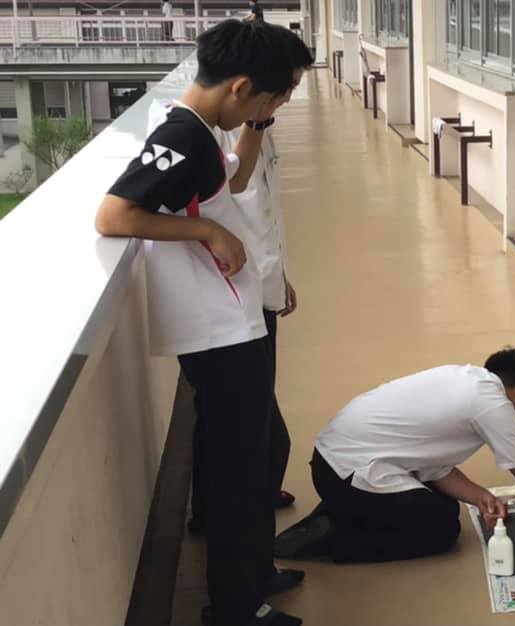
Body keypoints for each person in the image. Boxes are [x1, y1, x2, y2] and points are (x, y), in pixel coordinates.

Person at [95, 20, 302, 626]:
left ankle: (253, 572)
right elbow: (113, 215)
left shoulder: (205, 132)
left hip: (234, 319)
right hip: (218, 331)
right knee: (240, 468)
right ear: (239, 86)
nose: (272, 109)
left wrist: (256, 130)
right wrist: (208, 230)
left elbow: (230, 179)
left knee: (254, 452)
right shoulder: (181, 135)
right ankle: (237, 607)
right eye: (270, 98)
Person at [184, 25, 315, 535]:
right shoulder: (202, 132)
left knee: (256, 424)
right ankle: (230, 517)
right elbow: (229, 206)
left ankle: (239, 505)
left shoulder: (251, 124)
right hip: (233, 298)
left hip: (256, 287)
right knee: (251, 429)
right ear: (245, 86)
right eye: (282, 91)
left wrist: (278, 278)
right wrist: (213, 236)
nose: (285, 100)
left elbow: (258, 207)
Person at [274, 349, 515, 563]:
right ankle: (338, 539)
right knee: (441, 530)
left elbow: (433, 466)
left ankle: (339, 512)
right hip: (349, 473)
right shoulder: (495, 405)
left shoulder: (460, 377)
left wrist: (481, 496)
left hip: (332, 461)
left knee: (442, 504)